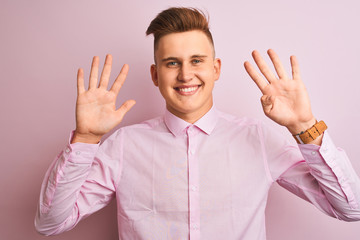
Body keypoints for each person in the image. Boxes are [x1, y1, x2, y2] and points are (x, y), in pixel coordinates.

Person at [35, 7, 360, 240]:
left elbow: (351, 209)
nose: (185, 75)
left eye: (197, 61)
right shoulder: (123, 147)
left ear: (216, 69)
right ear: (155, 74)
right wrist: (86, 139)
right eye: (172, 63)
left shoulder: (258, 139)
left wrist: (306, 126)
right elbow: (50, 223)